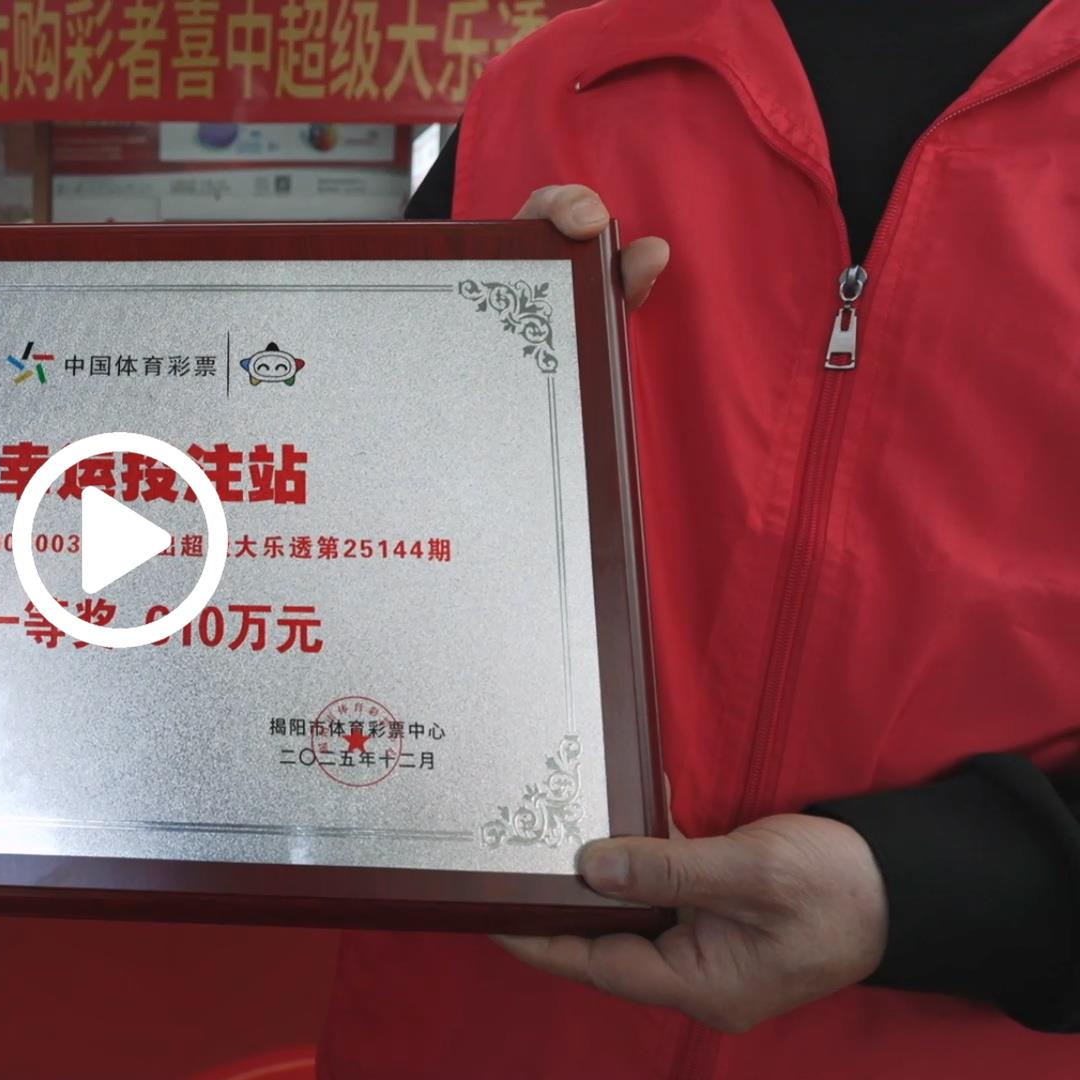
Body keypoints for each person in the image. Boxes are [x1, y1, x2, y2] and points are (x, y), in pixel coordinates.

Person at [317, 0, 1080, 1076]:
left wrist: (930, 890)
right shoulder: (553, 87)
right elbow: (324, 525)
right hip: (484, 1018)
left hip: (948, 1035)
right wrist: (444, 389)